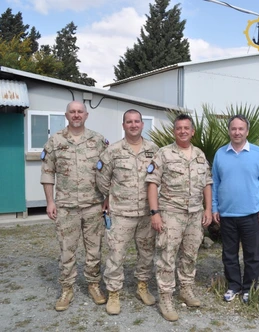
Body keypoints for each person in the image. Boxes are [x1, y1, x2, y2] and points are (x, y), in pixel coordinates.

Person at [40, 100, 108, 311]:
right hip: (66, 206)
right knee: (67, 250)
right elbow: (47, 173)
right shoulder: (55, 141)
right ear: (66, 115)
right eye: (73, 112)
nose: (76, 115)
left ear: (86, 115)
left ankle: (93, 284)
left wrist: (107, 199)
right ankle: (67, 288)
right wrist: (50, 201)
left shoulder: (98, 141)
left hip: (93, 205)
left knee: (94, 250)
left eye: (80, 112)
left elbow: (108, 173)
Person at [146, 114, 212, 322]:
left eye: (186, 128)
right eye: (179, 128)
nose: (183, 131)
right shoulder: (163, 154)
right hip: (170, 213)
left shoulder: (200, 155)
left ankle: (186, 288)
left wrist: (208, 209)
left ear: (193, 132)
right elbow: (152, 183)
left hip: (194, 214)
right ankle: (165, 297)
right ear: (174, 131)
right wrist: (155, 213)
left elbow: (207, 183)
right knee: (167, 256)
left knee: (190, 254)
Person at [96, 109, 159, 315]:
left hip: (146, 214)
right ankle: (114, 293)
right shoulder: (113, 151)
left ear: (142, 124)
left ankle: (142, 285)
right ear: (123, 125)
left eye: (137, 121)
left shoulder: (154, 150)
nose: (133, 125)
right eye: (129, 122)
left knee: (147, 253)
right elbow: (101, 179)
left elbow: (160, 179)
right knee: (116, 254)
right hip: (121, 214)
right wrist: (109, 196)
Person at [212, 114, 259, 304]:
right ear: (229, 131)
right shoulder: (220, 154)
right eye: (233, 129)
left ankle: (249, 288)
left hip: (252, 215)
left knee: (252, 255)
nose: (237, 132)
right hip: (227, 215)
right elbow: (214, 183)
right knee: (229, 254)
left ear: (247, 131)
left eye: (241, 129)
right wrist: (214, 207)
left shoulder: (258, 153)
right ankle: (234, 286)